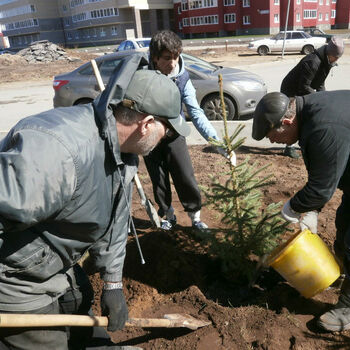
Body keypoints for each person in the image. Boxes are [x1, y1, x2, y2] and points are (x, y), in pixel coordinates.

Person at [0, 54, 189, 350]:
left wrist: (113, 285)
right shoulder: (57, 150)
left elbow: (115, 224)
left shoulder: (124, 154)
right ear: (147, 123)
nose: (166, 139)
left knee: (81, 303)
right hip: (16, 281)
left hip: (55, 262)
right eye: (167, 131)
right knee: (45, 342)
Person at [252, 90, 350, 332]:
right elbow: (325, 172)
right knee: (344, 224)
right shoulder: (310, 113)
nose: (271, 141)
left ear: (287, 121)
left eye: (271, 135)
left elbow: (321, 189)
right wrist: (312, 211)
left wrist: (292, 209)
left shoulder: (325, 126)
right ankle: (339, 274)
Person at [144, 29, 235, 232]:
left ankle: (195, 217)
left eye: (176, 57)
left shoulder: (182, 78)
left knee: (185, 175)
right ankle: (167, 215)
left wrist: (217, 143)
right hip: (149, 135)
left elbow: (196, 112)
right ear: (155, 58)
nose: (173, 63)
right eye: (167, 58)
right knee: (158, 179)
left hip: (174, 134)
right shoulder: (142, 74)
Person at [280, 36, 344, 159]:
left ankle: (304, 144)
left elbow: (320, 83)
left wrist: (325, 99)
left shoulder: (327, 61)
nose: (336, 60)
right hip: (291, 90)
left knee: (308, 115)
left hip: (303, 88)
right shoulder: (312, 62)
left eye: (338, 58)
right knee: (294, 118)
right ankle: (289, 147)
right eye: (335, 57)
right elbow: (303, 87)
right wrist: (317, 99)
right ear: (329, 53)